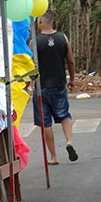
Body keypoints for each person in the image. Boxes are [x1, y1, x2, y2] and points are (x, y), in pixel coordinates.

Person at [34, 11, 78, 164]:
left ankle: (53, 156)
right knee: (64, 115)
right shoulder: (63, 38)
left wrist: (26, 84)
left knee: (46, 122)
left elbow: (31, 65)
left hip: (42, 87)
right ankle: (69, 142)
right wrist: (72, 79)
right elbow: (70, 61)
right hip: (59, 84)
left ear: (40, 21)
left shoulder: (35, 41)